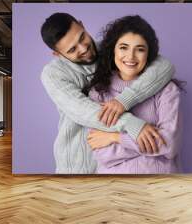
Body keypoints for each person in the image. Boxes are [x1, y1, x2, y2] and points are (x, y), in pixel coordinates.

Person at [40, 13, 175, 173]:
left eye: (82, 37)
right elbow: (83, 111)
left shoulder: (110, 50)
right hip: (77, 166)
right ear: (58, 54)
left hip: (115, 165)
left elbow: (165, 66)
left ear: (82, 25)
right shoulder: (53, 74)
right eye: (72, 49)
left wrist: (124, 100)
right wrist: (131, 124)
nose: (84, 48)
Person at [85, 15, 183, 174]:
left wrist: (115, 138)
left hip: (159, 184)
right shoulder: (98, 93)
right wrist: (148, 140)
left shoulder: (167, 90)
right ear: (113, 50)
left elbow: (169, 144)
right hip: (112, 187)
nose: (130, 56)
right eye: (123, 47)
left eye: (140, 49)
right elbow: (101, 153)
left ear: (149, 54)